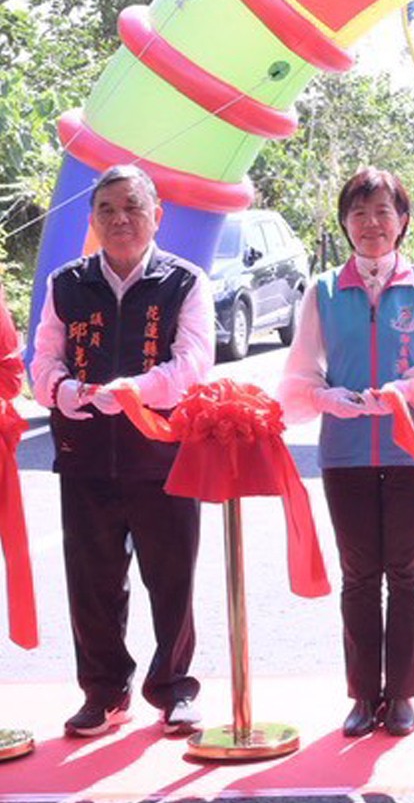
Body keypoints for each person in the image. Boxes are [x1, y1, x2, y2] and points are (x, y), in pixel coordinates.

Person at [30, 164, 215, 737]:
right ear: (91, 220)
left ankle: (174, 689)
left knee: (172, 577)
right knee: (92, 582)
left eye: (132, 207)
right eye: (106, 209)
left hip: (162, 456)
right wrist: (62, 390)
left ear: (157, 215)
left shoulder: (183, 282)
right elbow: (43, 361)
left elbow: (192, 364)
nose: (120, 220)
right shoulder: (67, 282)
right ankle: (104, 692)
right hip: (85, 455)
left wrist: (135, 391)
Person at [279, 166, 414, 737]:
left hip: (413, 451)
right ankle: (362, 695)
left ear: (403, 221)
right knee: (358, 576)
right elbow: (302, 369)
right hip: (346, 452)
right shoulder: (324, 291)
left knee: (407, 573)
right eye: (359, 213)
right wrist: (325, 397)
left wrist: (404, 391)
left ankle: (401, 694)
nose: (371, 224)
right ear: (344, 223)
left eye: (383, 212)